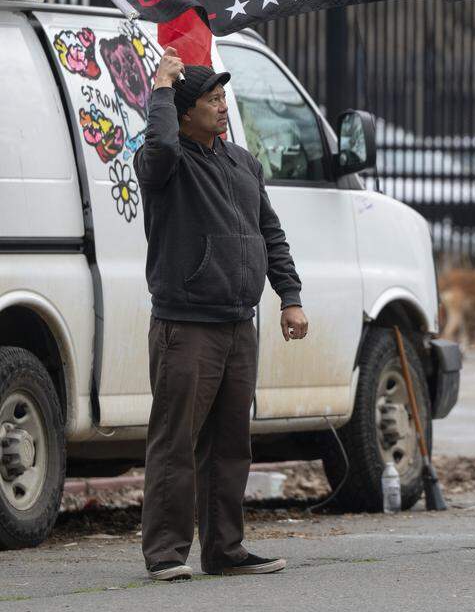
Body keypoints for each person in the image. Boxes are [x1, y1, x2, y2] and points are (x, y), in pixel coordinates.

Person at [135, 47, 309, 581]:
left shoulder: (241, 162)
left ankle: (224, 551)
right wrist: (161, 88)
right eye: (211, 100)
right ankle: (166, 553)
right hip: (186, 325)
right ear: (185, 111)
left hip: (239, 323)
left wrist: (290, 295)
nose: (222, 106)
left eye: (222, 98)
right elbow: (160, 142)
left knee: (231, 445)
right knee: (176, 442)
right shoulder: (166, 161)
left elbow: (270, 232)